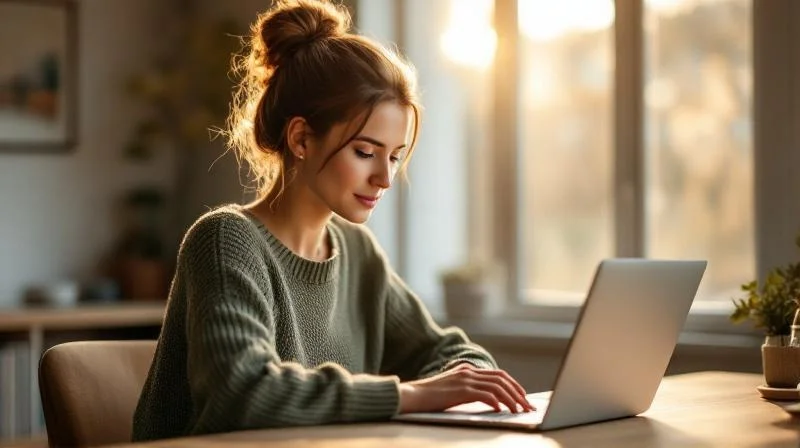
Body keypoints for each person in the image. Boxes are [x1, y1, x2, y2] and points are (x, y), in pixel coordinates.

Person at [131, 0, 532, 441]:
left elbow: (450, 350)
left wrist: (465, 377)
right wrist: (412, 395)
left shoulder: (356, 251)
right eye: (365, 152)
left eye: (394, 157)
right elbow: (241, 395)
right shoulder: (226, 240)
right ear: (301, 138)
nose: (384, 178)